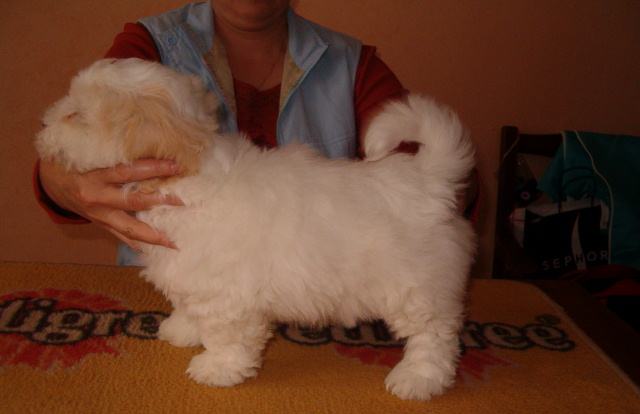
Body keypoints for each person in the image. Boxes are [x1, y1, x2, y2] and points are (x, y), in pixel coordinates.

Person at [35, 0, 477, 265]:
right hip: (176, 296)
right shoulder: (148, 48)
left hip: (314, 293)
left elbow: (442, 181)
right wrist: (63, 181)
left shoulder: (353, 64)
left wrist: (440, 191)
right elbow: (63, 153)